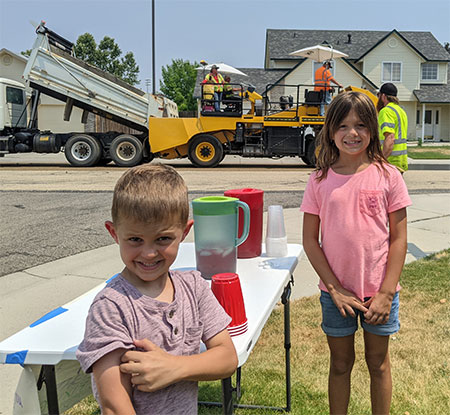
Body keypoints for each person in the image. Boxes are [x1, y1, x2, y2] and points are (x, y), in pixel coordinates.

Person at [76, 164, 238, 415]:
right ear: (114, 233)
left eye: (163, 239)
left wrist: (174, 367)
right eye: (135, 240)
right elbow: (114, 406)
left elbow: (228, 358)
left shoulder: (193, 287)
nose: (149, 253)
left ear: (184, 232)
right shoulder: (111, 307)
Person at [300, 91, 411, 415]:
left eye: (361, 125)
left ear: (373, 130)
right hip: (337, 297)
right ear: (330, 130)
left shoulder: (388, 176)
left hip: (380, 295)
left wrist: (386, 293)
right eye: (344, 125)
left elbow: (399, 238)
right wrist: (335, 289)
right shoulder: (319, 180)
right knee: (340, 364)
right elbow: (310, 240)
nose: (352, 133)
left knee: (377, 363)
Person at [377, 83, 409, 173]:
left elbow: (390, 138)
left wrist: (381, 160)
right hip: (400, 161)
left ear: (383, 96)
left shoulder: (386, 111)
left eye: (378, 95)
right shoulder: (401, 111)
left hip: (389, 161)